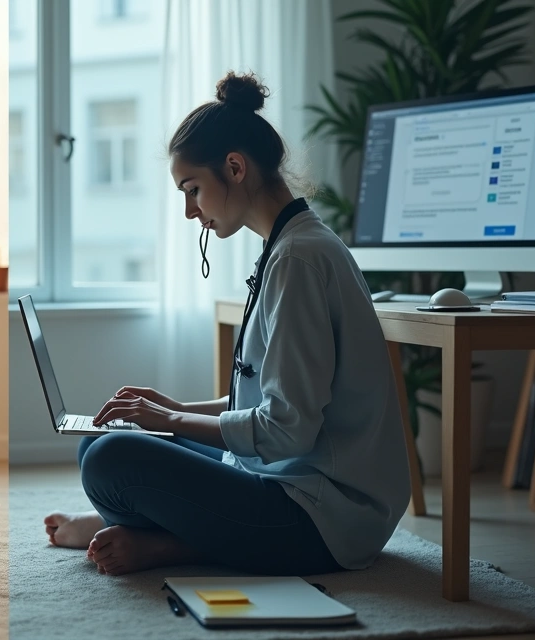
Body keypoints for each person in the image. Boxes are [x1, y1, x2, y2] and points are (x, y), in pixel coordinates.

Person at [43, 72, 410, 577]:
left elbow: (285, 431)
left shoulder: (299, 260)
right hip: (285, 478)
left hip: (322, 518)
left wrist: (171, 422)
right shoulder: (289, 248)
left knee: (112, 460)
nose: (189, 211)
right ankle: (164, 533)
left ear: (235, 167)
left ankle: (172, 544)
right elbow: (269, 399)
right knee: (101, 440)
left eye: (192, 189)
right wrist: (170, 409)